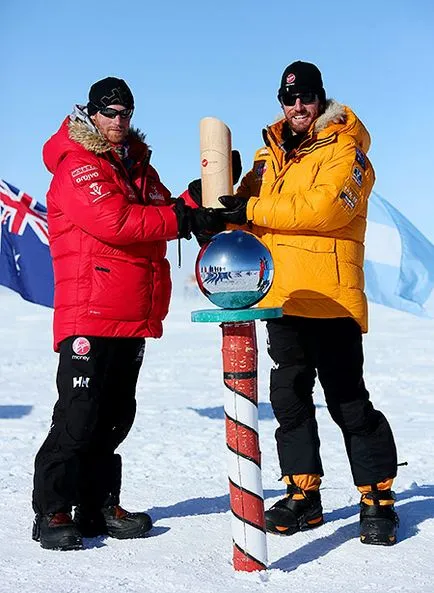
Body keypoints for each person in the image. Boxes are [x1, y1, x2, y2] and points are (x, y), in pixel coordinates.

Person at [199, 61, 399, 545]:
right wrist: (218, 216)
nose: (297, 107)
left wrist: (250, 209)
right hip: (281, 298)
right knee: (289, 402)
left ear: (321, 98)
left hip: (329, 296)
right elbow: (241, 207)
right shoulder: (269, 158)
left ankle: (377, 500)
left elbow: (324, 210)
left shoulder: (346, 151)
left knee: (348, 402)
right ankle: (303, 495)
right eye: (288, 99)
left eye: (306, 97)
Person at [32, 76, 223, 550]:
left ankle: (96, 506)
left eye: (125, 113)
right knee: (78, 417)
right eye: (109, 112)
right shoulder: (77, 164)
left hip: (130, 311)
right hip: (89, 312)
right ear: (91, 113)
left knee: (115, 416)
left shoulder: (136, 165)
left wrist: (201, 196)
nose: (118, 121)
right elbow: (115, 221)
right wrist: (183, 220)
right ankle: (52, 511)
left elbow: (162, 207)